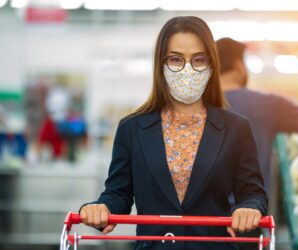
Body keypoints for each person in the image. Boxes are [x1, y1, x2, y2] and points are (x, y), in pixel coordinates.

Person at [79, 17, 268, 250]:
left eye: (198, 59)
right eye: (176, 59)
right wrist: (101, 208)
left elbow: (253, 192)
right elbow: (118, 193)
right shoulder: (132, 129)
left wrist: (249, 208)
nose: (187, 69)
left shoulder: (236, 128)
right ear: (161, 64)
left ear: (212, 64)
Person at [216, 37, 298, 195]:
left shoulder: (193, 106)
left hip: (203, 215)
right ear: (239, 66)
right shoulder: (267, 105)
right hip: (249, 214)